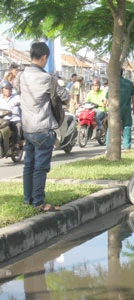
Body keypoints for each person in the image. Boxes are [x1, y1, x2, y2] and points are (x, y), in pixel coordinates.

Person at [18, 42, 69, 211]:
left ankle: (28, 199)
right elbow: (65, 97)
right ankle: (39, 202)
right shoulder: (47, 78)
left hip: (27, 128)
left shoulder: (22, 75)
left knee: (28, 165)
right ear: (44, 57)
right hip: (43, 129)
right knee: (40, 167)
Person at [0, 81, 22, 151]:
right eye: (6, 88)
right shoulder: (0, 98)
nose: (8, 90)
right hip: (2, 119)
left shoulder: (16, 97)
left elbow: (22, 102)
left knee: (18, 126)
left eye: (10, 89)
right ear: (2, 89)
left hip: (13, 119)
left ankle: (16, 145)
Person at [119, 69, 134, 149]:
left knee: (112, 127)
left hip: (115, 109)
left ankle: (109, 147)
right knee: (127, 126)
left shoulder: (113, 83)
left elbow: (107, 98)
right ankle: (126, 146)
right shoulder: (129, 83)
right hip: (126, 108)